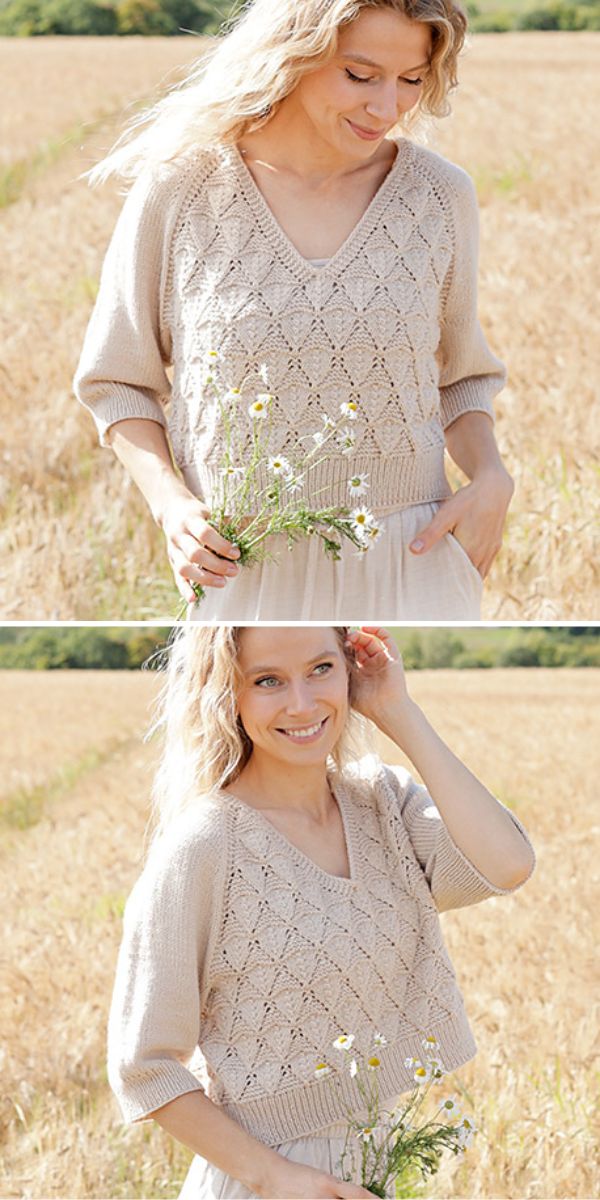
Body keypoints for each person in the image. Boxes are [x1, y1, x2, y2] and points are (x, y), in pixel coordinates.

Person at [73, 0, 514, 621]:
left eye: (411, 80)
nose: (387, 108)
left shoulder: (439, 196)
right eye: (360, 75)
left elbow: (461, 378)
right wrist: (171, 504)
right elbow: (117, 381)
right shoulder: (180, 189)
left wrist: (492, 477)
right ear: (294, 54)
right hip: (240, 564)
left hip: (412, 558)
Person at [107, 625, 536, 1199]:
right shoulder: (205, 847)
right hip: (264, 1182)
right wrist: (278, 1178)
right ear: (226, 694)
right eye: (268, 681)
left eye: (321, 669)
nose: (302, 704)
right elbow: (145, 1066)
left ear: (350, 669)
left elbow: (508, 863)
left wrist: (398, 710)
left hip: (380, 1164)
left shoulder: (384, 802)